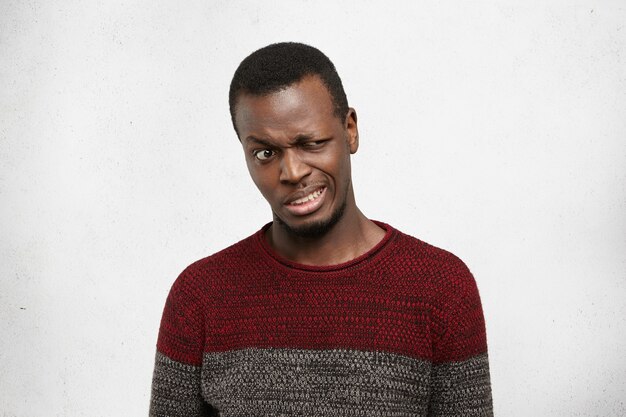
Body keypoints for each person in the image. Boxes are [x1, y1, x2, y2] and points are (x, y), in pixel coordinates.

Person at [150, 42, 493, 417]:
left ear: (350, 130)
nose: (292, 172)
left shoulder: (441, 287)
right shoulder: (199, 296)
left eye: (311, 143)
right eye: (265, 153)